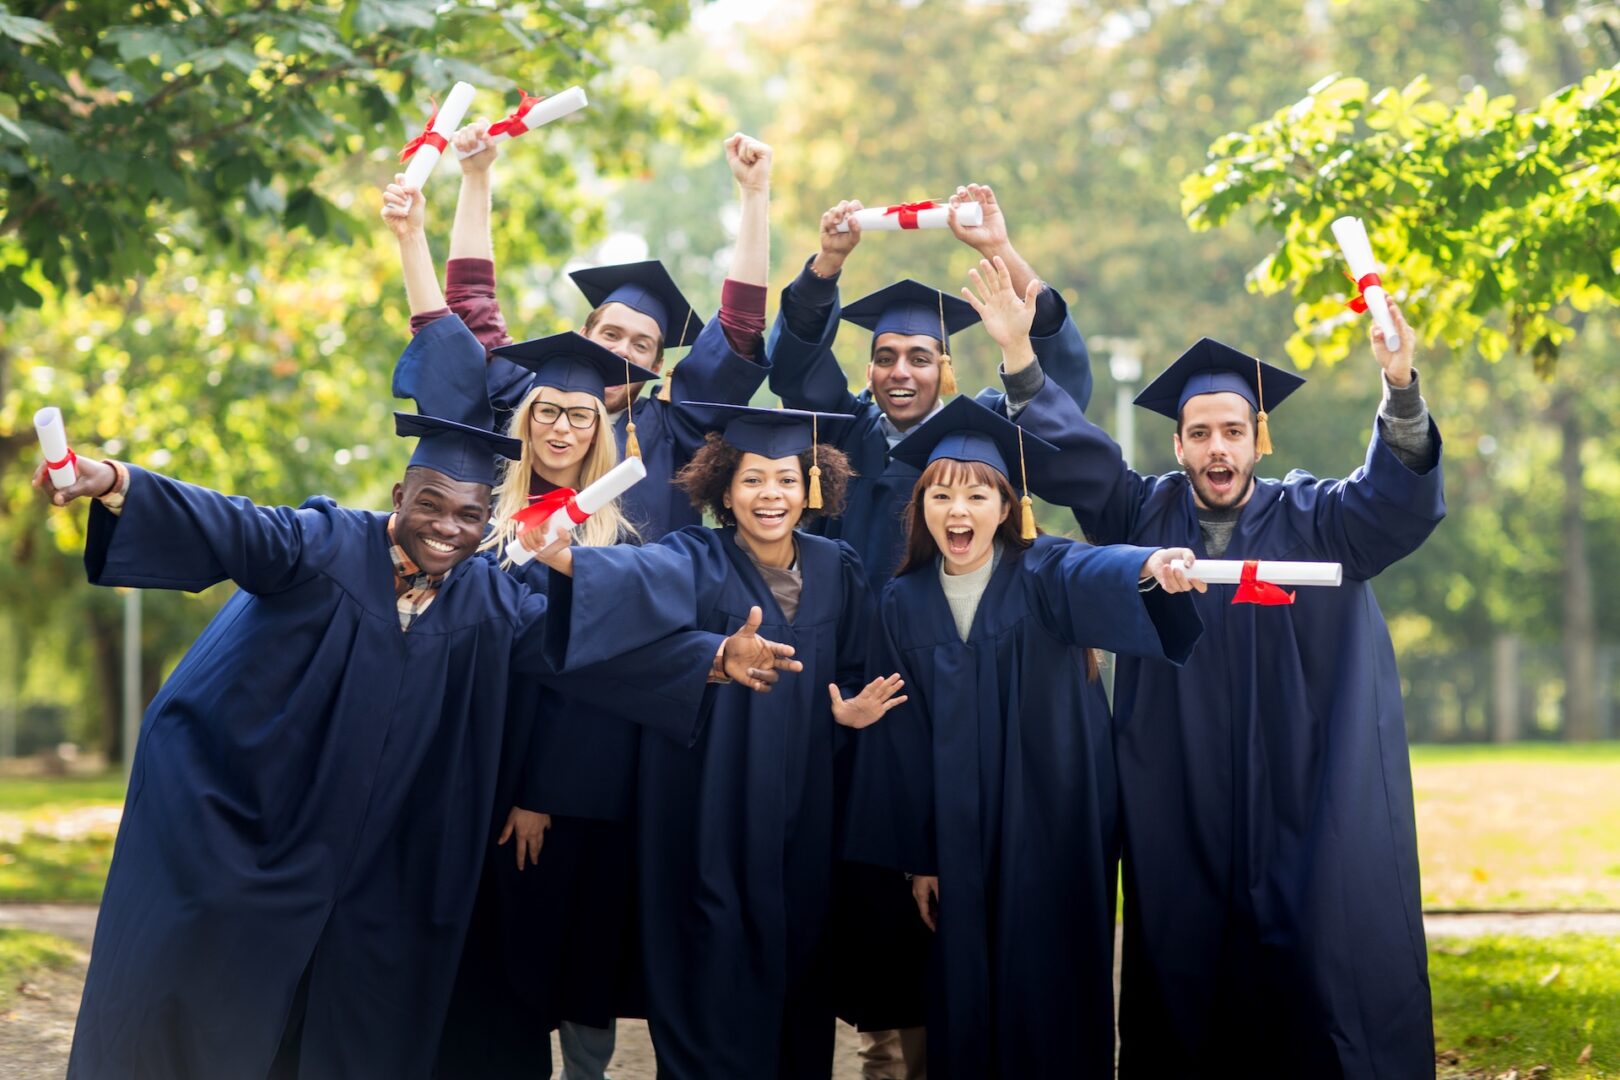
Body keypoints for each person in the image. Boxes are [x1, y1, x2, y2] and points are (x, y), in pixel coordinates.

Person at [42, 313, 799, 1079]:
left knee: (351, 1010)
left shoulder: (483, 598)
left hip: (375, 848)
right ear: (401, 492)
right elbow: (231, 523)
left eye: (470, 515)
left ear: (486, 522)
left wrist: (710, 659)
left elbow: (580, 656)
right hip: (256, 817)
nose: (447, 527)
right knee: (211, 995)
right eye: (431, 504)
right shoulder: (323, 544)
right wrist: (110, 480)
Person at [1012, 304, 1444, 1077]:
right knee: (1183, 974)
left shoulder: (1317, 520)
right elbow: (1075, 457)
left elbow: (1393, 502)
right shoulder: (1138, 514)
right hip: (1178, 797)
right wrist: (1018, 355)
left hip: (1303, 794)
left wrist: (1400, 383)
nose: (1218, 448)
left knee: (1318, 976)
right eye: (1201, 433)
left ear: (1257, 439)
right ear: (1178, 444)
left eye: (1233, 432)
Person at [839, 265, 1204, 1079]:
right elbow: (898, 746)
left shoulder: (1046, 576)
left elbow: (1104, 571)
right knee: (961, 993)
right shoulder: (899, 606)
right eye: (942, 496)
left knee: (1053, 988)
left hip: (1053, 829)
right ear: (921, 510)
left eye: (978, 495)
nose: (959, 511)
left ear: (1010, 508)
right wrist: (919, 855)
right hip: (956, 840)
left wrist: (1155, 566)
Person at [528, 404, 905, 1080]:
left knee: (798, 967)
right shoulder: (694, 556)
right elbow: (633, 585)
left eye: (786, 481)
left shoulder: (836, 567)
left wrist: (845, 713)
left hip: (803, 817)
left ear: (811, 486)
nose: (771, 496)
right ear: (724, 490)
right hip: (707, 809)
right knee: (711, 963)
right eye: (753, 480)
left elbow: (854, 667)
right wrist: (563, 558)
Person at [426, 330, 660, 1078]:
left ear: (601, 429)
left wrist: (537, 791)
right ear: (524, 420)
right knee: (497, 966)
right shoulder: (480, 523)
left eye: (581, 416)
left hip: (571, 786)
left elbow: (588, 681)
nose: (562, 427)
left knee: (577, 958)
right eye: (548, 411)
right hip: (478, 769)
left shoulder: (617, 540)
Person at [384, 127, 775, 543]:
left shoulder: (670, 432)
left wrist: (754, 195)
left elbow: (738, 330)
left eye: (641, 345)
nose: (622, 349)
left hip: (627, 604)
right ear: (583, 333)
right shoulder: (523, 404)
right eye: (610, 333)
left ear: (657, 366)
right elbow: (470, 307)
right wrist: (476, 177)